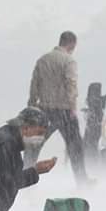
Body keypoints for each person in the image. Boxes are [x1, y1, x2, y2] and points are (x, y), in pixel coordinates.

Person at [26, 31, 93, 185]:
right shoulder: (69, 61)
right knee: (75, 146)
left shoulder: (43, 60)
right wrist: (72, 107)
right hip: (63, 110)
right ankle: (82, 180)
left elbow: (34, 84)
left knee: (34, 146)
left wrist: (31, 106)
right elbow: (71, 84)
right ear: (71, 44)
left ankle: (24, 176)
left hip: (43, 110)